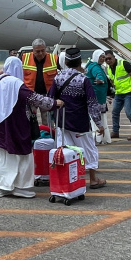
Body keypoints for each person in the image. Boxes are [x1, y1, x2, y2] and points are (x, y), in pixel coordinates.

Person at [0, 56, 62, 198]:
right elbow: (35, 99)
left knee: (1, 156)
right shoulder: (17, 84)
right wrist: (54, 103)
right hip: (15, 125)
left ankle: (2, 186)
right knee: (20, 156)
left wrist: (0, 106)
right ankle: (19, 186)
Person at [50, 48, 106, 189]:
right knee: (89, 149)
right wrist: (99, 124)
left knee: (65, 151)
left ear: (67, 62)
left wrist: (53, 118)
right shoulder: (84, 79)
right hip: (80, 122)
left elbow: (50, 99)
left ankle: (68, 180)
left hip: (62, 121)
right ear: (79, 61)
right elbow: (92, 104)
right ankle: (93, 179)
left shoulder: (58, 77)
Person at [21, 39, 57, 126]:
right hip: (30, 94)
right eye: (37, 51)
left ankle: (49, 137)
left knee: (48, 121)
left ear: (46, 49)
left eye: (42, 50)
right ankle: (31, 138)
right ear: (33, 50)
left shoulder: (54, 58)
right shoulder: (24, 57)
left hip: (47, 95)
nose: (40, 53)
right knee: (29, 120)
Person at [107, 52, 131, 141]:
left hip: (129, 93)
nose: (108, 60)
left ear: (114, 57)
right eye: (106, 59)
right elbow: (113, 80)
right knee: (114, 112)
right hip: (118, 93)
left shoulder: (123, 63)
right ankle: (115, 132)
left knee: (129, 113)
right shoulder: (109, 68)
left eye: (109, 58)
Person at [86, 50, 111, 144]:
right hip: (96, 97)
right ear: (96, 57)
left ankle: (101, 138)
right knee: (97, 118)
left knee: (99, 117)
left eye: (104, 57)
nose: (103, 59)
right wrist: (100, 79)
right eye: (101, 57)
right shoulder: (95, 67)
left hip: (100, 96)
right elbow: (98, 74)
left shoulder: (91, 65)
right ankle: (98, 139)